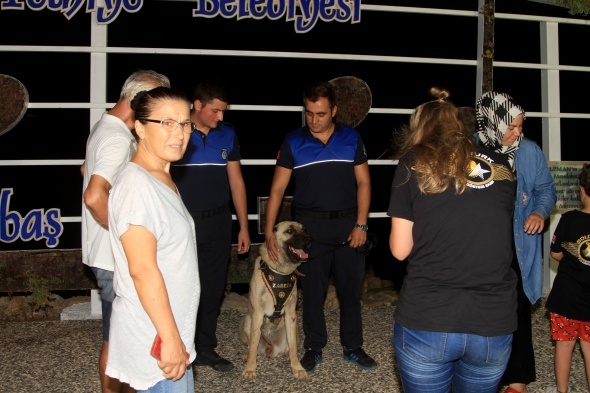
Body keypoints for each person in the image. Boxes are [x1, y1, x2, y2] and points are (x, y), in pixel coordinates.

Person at [388, 87, 518, 392]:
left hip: (429, 318)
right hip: (492, 321)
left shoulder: (413, 162)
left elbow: (399, 249)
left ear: (419, 128)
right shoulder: (501, 166)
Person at [264, 80, 377, 373]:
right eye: (309, 113)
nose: (314, 120)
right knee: (312, 293)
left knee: (351, 292)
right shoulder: (292, 141)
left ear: (334, 111)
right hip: (308, 230)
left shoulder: (352, 138)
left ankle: (353, 346)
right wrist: (268, 231)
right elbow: (277, 191)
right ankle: (314, 347)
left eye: (321, 114)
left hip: (348, 225)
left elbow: (364, 182)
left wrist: (361, 225)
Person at [81, 69, 170, 393]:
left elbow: (85, 172)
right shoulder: (118, 138)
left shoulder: (105, 127)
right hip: (111, 255)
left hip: (100, 252)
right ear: (139, 101)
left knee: (119, 334)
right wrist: (123, 236)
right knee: (116, 339)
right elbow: (94, 195)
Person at [106, 86, 200, 392]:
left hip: (168, 330)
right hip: (155, 336)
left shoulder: (161, 176)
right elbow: (142, 270)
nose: (180, 133)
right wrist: (170, 339)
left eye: (185, 123)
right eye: (167, 123)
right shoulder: (136, 185)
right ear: (140, 127)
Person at [475, 91, 557, 393]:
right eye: (511, 126)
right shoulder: (470, 148)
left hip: (518, 244)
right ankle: (482, 376)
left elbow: (547, 189)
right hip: (481, 245)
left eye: (521, 126)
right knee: (481, 309)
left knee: (519, 309)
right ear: (494, 123)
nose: (517, 133)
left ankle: (518, 380)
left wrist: (538, 211)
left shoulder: (530, 152)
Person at [171, 80, 250, 372]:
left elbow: (237, 181)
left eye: (223, 112)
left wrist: (243, 225)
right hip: (182, 222)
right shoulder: (175, 131)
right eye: (215, 111)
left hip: (219, 222)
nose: (220, 118)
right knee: (180, 286)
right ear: (198, 105)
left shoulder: (227, 133)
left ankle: (205, 348)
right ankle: (179, 348)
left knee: (213, 287)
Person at [545, 163, 590, 393]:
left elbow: (556, 253)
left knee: (564, 345)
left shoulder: (568, 219)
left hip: (566, 298)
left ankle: (562, 391)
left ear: (582, 189)